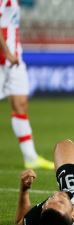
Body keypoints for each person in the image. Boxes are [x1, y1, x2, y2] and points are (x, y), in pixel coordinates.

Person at [0, 0, 53, 169]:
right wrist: (6, 51)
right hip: (4, 57)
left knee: (20, 103)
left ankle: (30, 157)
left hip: (15, 58)